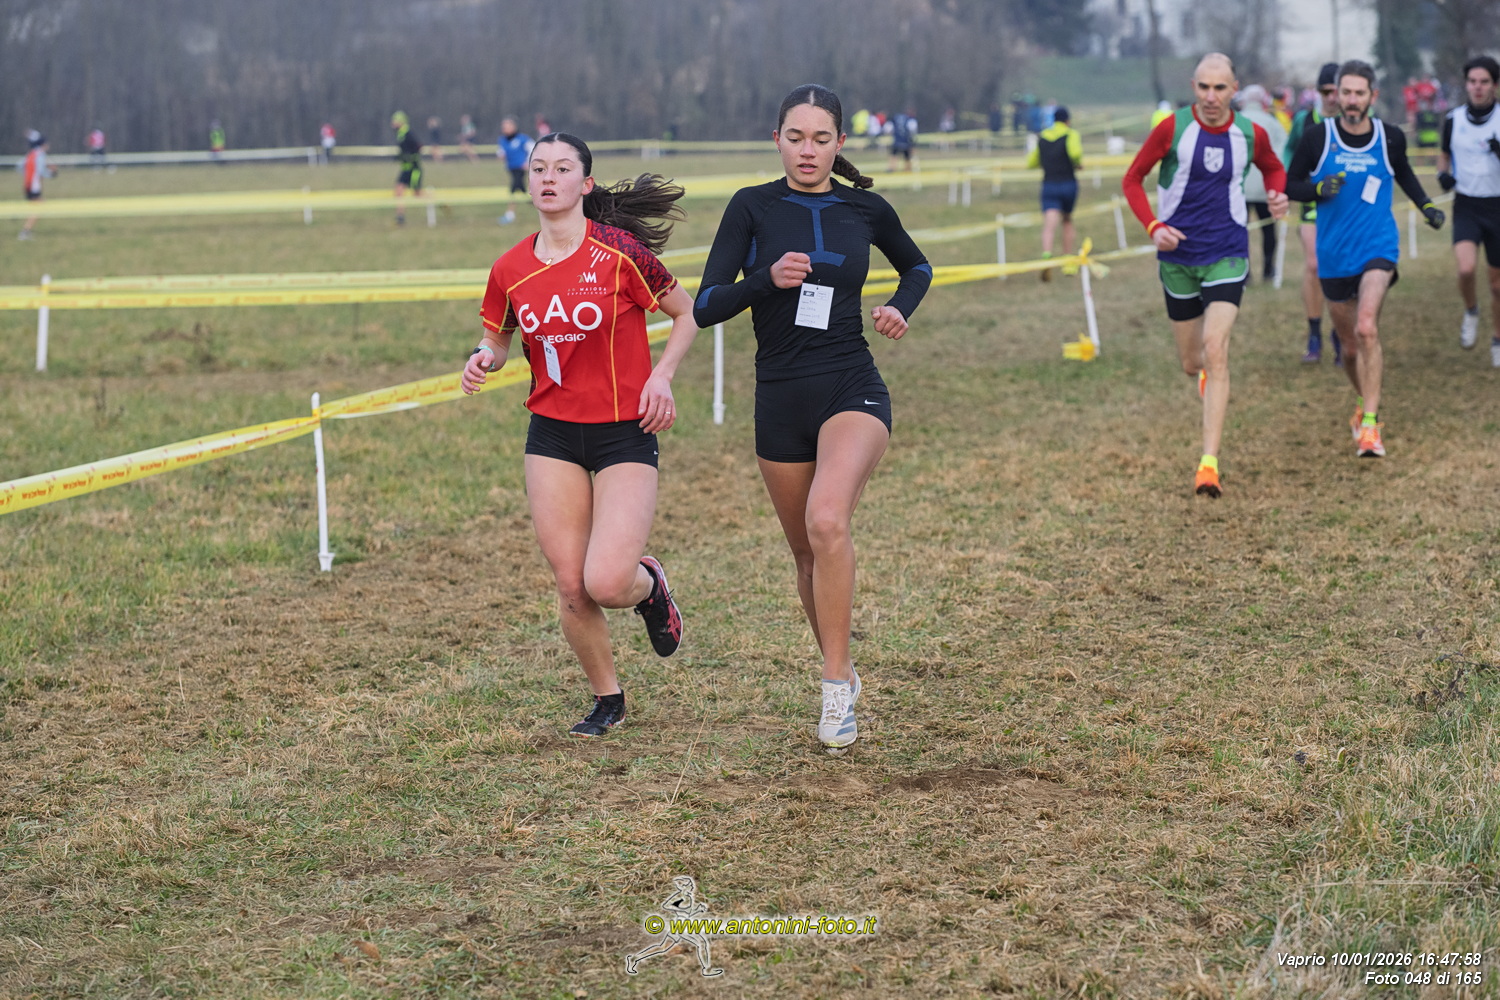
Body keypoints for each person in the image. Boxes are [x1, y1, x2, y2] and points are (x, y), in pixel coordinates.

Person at [693, 84, 932, 754]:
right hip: (779, 397)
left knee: (828, 521)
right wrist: (763, 279)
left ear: (839, 144)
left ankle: (832, 689)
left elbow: (917, 266)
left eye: (821, 139)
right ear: (777, 140)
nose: (807, 150)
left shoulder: (866, 208)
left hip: (851, 385)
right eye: (795, 138)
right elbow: (706, 305)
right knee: (805, 553)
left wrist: (899, 307)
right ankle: (844, 668)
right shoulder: (751, 206)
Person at [461, 132, 697, 739]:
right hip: (553, 435)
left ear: (585, 184)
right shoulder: (509, 268)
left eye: (563, 168)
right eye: (539, 168)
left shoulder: (619, 253)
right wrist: (484, 357)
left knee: (607, 581)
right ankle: (607, 698)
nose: (548, 177)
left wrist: (662, 377)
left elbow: (686, 313)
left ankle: (650, 586)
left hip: (624, 432)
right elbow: (498, 336)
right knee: (571, 584)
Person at [1121, 53, 1289, 498]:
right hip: (1178, 258)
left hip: (1227, 252)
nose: (1211, 97)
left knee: (1216, 349)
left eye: (1220, 88)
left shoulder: (1250, 133)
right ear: (1193, 87)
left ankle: (1208, 465)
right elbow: (1132, 179)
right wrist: (1153, 227)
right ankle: (1203, 375)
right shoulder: (1172, 129)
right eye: (1203, 87)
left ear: (1234, 90)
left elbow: (1273, 166)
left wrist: (1277, 193)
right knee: (1192, 361)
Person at [1285, 60, 1445, 459]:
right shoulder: (1317, 138)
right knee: (1351, 348)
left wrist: (1427, 206)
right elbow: (1290, 184)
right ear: (1336, 95)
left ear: (1372, 96)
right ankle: (1363, 404)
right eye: (1346, 92)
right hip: (1334, 253)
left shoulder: (1389, 137)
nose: (1352, 100)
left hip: (1377, 246)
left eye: (1360, 93)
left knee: (1367, 327)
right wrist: (1317, 189)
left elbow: (1404, 174)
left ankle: (1371, 427)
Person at [1438, 55, 1500, 365]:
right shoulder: (1453, 119)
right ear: (1466, 84)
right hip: (1466, 204)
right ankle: (1471, 310)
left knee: (1497, 285)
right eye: (1473, 81)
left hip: (1497, 205)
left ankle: (1497, 339)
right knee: (1465, 268)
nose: (1477, 87)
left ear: (1495, 86)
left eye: (1484, 82)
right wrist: (1443, 175)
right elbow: (1443, 155)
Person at [1285, 63, 1342, 364]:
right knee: (1314, 264)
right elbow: (1289, 151)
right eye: (1326, 91)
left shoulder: (1357, 119)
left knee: (1343, 267)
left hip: (1346, 205)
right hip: (1313, 201)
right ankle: (1314, 334)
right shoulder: (1304, 121)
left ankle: (1341, 332)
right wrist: (1288, 181)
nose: (1332, 97)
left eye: (1336, 91)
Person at [1235, 84, 1287, 283]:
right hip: (1266, 188)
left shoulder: (1236, 121)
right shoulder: (1272, 123)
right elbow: (1284, 151)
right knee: (1268, 230)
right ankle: (1268, 269)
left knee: (1241, 231)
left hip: (1239, 187)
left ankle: (1244, 272)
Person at [1026, 104, 1082, 280]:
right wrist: (1077, 163)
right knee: (1067, 221)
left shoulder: (1043, 137)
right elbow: (1075, 154)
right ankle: (1068, 263)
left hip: (1049, 184)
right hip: (1068, 183)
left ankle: (1047, 255)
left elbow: (1031, 162)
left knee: (1049, 223)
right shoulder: (1070, 134)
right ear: (1067, 121)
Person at [496, 117, 534, 225]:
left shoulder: (523, 138)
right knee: (522, 190)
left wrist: (528, 162)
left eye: (507, 126)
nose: (504, 129)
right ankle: (536, 203)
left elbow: (533, 148)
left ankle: (510, 215)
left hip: (520, 168)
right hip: (511, 168)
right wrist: (501, 155)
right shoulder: (502, 140)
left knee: (513, 189)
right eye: (503, 127)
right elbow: (501, 152)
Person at [390, 111, 424, 225]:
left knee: (417, 194)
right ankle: (400, 217)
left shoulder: (408, 133)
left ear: (401, 121)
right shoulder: (400, 134)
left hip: (414, 169)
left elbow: (418, 146)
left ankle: (441, 203)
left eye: (394, 120)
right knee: (398, 191)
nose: (392, 123)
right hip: (405, 169)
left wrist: (410, 156)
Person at [18, 131, 53, 240]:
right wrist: (52, 174)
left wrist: (28, 175)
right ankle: (25, 232)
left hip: (28, 185)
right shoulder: (40, 155)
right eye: (47, 143)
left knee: (37, 208)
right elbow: (41, 171)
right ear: (43, 145)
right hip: (34, 186)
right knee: (38, 209)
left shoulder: (31, 153)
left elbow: (20, 166)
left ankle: (26, 230)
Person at [888, 106, 916, 172]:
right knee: (907, 156)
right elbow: (912, 129)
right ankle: (907, 169)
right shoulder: (909, 119)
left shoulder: (895, 118)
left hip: (897, 140)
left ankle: (892, 168)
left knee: (894, 155)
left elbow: (888, 129)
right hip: (906, 141)